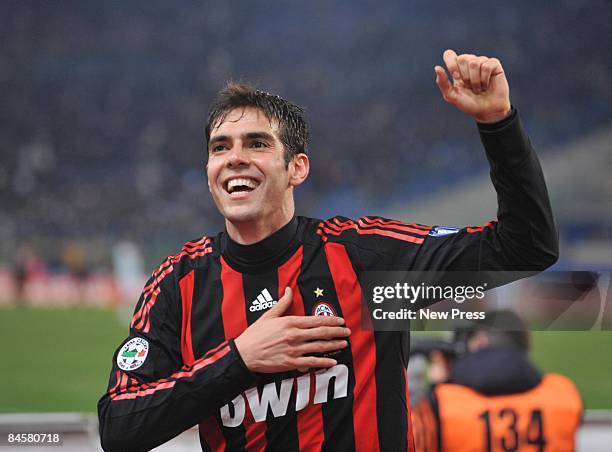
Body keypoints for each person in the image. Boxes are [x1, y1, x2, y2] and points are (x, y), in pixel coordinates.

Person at [97, 49, 559, 451]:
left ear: (296, 168)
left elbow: (526, 247)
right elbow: (119, 427)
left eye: (257, 143)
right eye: (221, 147)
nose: (235, 157)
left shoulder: (365, 257)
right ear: (209, 169)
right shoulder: (181, 283)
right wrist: (239, 359)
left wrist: (498, 124)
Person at [411, 311, 582, 451]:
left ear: (480, 341)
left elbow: (410, 438)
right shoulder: (562, 394)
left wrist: (437, 386)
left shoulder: (442, 403)